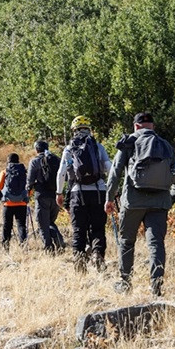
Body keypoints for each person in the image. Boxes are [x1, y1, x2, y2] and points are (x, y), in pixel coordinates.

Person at [105, 112, 175, 296]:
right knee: (156, 244)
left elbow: (115, 173)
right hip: (159, 203)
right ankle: (156, 287)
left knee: (126, 242)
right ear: (153, 126)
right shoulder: (165, 145)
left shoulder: (129, 142)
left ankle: (125, 283)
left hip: (133, 202)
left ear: (136, 126)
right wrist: (170, 199)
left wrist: (109, 198)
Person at [56, 116, 112, 271]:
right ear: (89, 129)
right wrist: (113, 190)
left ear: (74, 130)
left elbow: (61, 173)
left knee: (79, 229)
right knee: (98, 228)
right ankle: (97, 254)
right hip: (99, 192)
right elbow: (110, 168)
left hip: (77, 193)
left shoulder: (69, 149)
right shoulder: (98, 146)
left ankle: (80, 263)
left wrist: (59, 193)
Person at [27, 140, 62, 252]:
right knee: (51, 222)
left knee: (42, 224)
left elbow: (30, 180)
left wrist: (28, 190)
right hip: (56, 195)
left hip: (42, 195)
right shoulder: (56, 159)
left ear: (36, 149)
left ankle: (48, 248)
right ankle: (59, 242)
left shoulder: (35, 161)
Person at [0, 153, 30, 249]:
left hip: (8, 203)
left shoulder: (4, 172)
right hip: (22, 203)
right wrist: (26, 196)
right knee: (21, 225)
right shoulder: (24, 172)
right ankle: (23, 246)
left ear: (8, 161)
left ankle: (5, 246)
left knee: (7, 225)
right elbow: (28, 186)